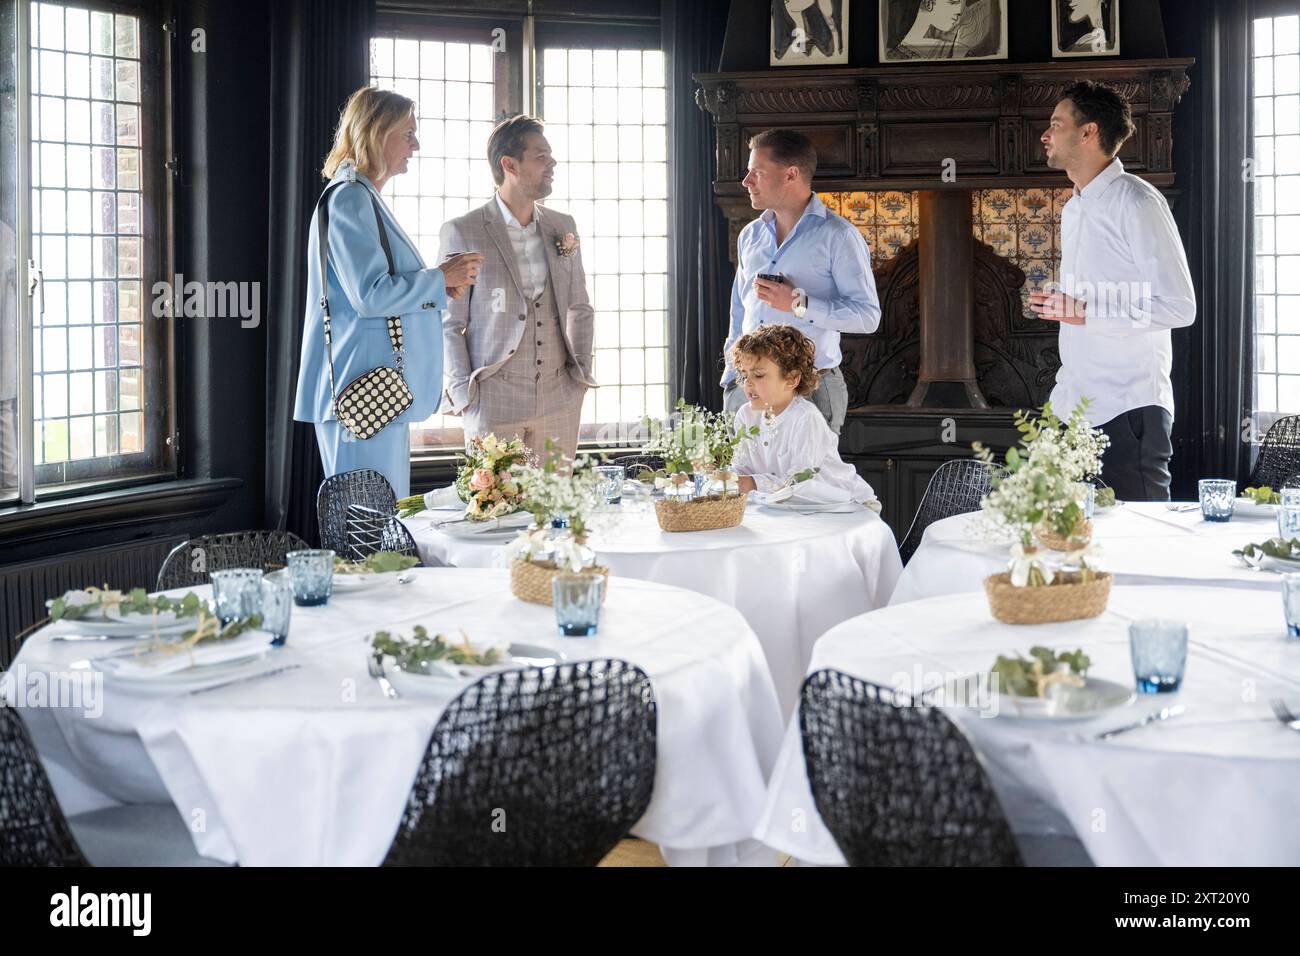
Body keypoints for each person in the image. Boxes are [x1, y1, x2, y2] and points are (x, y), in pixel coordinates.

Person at [293, 87, 483, 499]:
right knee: (369, 530)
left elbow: (373, 294)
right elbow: (371, 296)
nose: (415, 144)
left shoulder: (362, 197)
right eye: (408, 133)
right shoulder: (349, 199)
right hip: (361, 391)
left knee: (378, 525)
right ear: (377, 133)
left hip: (375, 393)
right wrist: (438, 277)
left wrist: (438, 285)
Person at [1031, 80, 1196, 501]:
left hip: (1128, 408)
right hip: (1071, 405)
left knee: (1139, 546)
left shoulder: (1138, 202)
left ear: (1088, 133)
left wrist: (1084, 310)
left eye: (1056, 124)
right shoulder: (1074, 207)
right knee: (1068, 548)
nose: (1045, 135)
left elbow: (1179, 307)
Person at [438, 114, 595, 461]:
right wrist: (463, 394)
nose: (552, 163)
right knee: (497, 511)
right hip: (492, 401)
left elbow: (580, 307)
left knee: (555, 511)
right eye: (541, 156)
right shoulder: (464, 231)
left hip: (560, 400)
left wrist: (579, 378)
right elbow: (449, 322)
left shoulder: (562, 226)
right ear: (509, 164)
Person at [722, 128, 880, 436]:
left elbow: (867, 317)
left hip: (812, 388)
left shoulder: (839, 236)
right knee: (747, 483)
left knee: (808, 485)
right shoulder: (750, 236)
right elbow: (739, 310)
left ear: (791, 174)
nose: (746, 181)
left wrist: (799, 304)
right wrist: (732, 379)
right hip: (748, 390)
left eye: (757, 172)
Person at [731, 325, 879, 508]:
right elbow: (741, 469)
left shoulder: (806, 418)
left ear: (792, 379)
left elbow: (800, 482)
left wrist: (752, 483)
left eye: (759, 375)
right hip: (791, 506)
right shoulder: (746, 416)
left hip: (847, 504)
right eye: (745, 376)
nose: (748, 384)